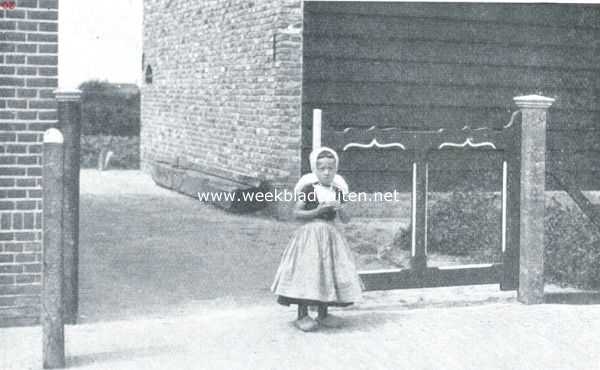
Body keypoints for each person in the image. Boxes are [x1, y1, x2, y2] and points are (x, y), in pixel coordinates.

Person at [271, 146, 363, 332]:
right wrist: (317, 211)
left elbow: (346, 219)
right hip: (310, 235)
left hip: (330, 236)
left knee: (327, 272)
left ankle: (323, 313)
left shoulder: (337, 191)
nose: (327, 172)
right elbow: (296, 213)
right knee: (309, 272)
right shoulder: (308, 189)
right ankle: (302, 314)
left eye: (331, 168)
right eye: (322, 169)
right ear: (315, 170)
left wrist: (340, 207)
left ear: (336, 170)